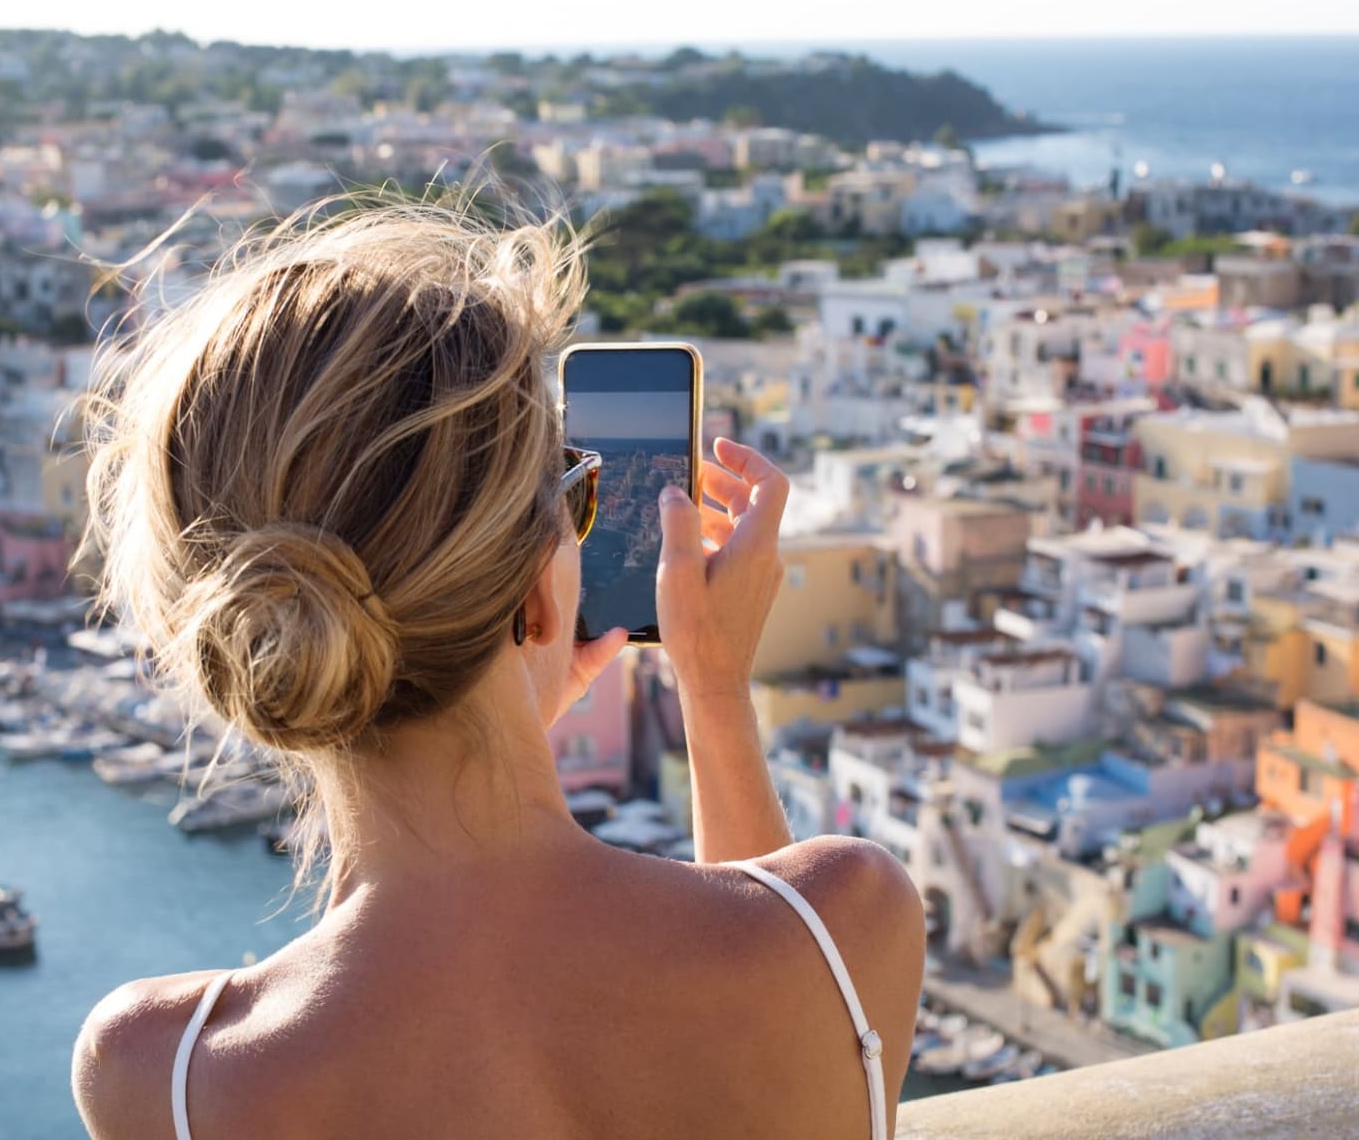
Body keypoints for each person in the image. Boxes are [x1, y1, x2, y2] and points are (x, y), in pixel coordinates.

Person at [72, 198, 925, 1140]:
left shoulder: (163, 1071)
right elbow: (773, 952)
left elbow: (403, 960)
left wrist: (495, 688)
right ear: (537, 591)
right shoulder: (849, 922)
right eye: (579, 496)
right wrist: (712, 688)